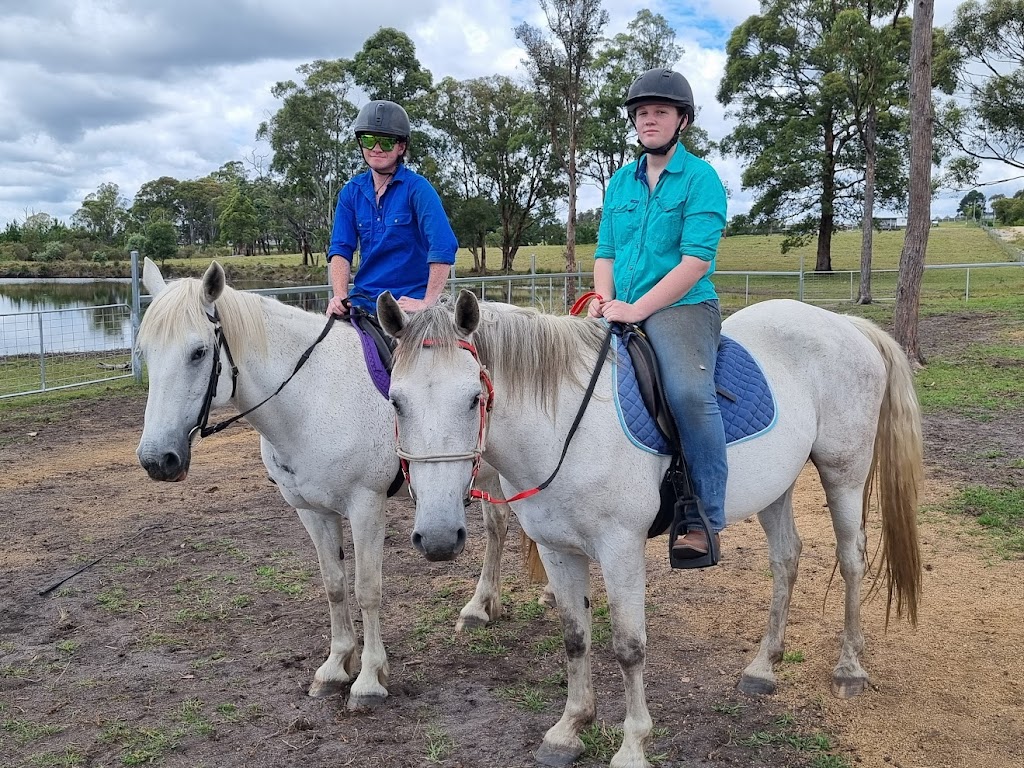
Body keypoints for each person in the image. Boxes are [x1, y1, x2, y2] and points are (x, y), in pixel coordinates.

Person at [587, 68, 729, 561]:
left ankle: (704, 517)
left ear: (681, 121)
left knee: (689, 393)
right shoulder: (620, 182)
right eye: (642, 113)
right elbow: (605, 250)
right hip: (618, 306)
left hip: (681, 307)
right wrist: (603, 301)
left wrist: (638, 308)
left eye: (660, 112)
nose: (649, 120)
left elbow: (696, 261)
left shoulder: (701, 179)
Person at [326, 100, 458, 317]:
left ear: (401, 147)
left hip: (408, 306)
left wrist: (428, 302)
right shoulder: (351, 192)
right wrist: (339, 296)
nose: (376, 148)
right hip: (363, 303)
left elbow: (443, 245)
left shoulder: (418, 189)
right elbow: (340, 249)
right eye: (369, 140)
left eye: (386, 142)